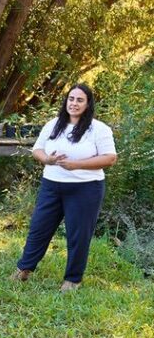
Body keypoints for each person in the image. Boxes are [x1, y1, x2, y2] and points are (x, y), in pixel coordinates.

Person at [13, 84, 117, 292]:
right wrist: (48, 160)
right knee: (39, 228)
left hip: (85, 188)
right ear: (66, 101)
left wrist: (76, 165)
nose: (74, 103)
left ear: (88, 105)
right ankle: (24, 269)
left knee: (78, 235)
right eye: (71, 99)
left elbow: (110, 158)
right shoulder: (53, 124)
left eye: (80, 100)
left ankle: (73, 279)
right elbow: (37, 150)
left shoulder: (99, 129)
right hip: (52, 185)